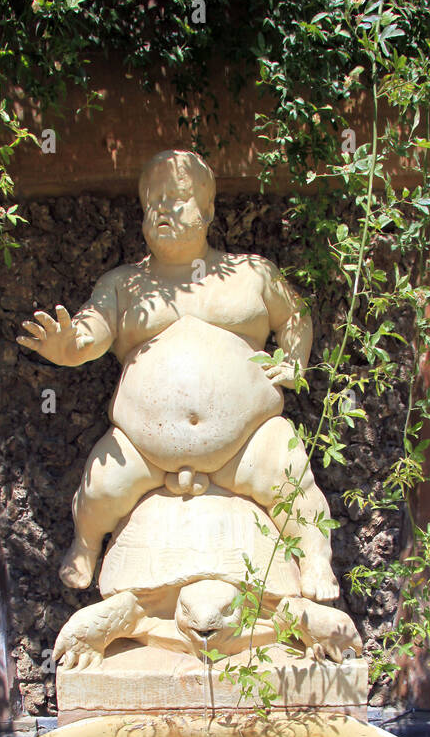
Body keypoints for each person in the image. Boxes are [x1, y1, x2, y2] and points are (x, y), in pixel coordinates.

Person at [17, 149, 338, 601]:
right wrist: (65, 348)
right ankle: (86, 544)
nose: (163, 208)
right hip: (142, 449)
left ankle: (315, 558)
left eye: (178, 197)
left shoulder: (250, 273)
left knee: (292, 477)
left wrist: (294, 360)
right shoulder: (124, 283)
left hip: (249, 441)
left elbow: (295, 314)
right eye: (153, 200)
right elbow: (89, 334)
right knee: (101, 486)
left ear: (207, 211)